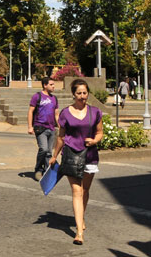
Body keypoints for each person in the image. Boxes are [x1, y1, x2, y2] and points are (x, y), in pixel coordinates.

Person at [49, 79, 104, 246]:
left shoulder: (95, 112)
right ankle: (79, 231)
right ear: (73, 94)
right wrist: (54, 155)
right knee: (76, 191)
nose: (82, 96)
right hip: (71, 154)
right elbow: (61, 137)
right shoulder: (65, 113)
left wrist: (95, 141)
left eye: (85, 93)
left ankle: (81, 217)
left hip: (90, 155)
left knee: (85, 191)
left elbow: (100, 132)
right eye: (79, 93)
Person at [27, 77, 59, 181]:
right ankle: (38, 170)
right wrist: (30, 126)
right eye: (51, 84)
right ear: (45, 85)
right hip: (40, 128)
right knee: (43, 149)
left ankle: (47, 171)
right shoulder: (37, 96)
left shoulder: (54, 98)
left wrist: (60, 126)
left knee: (49, 152)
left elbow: (56, 114)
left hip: (51, 128)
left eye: (54, 84)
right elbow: (31, 111)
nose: (53, 86)